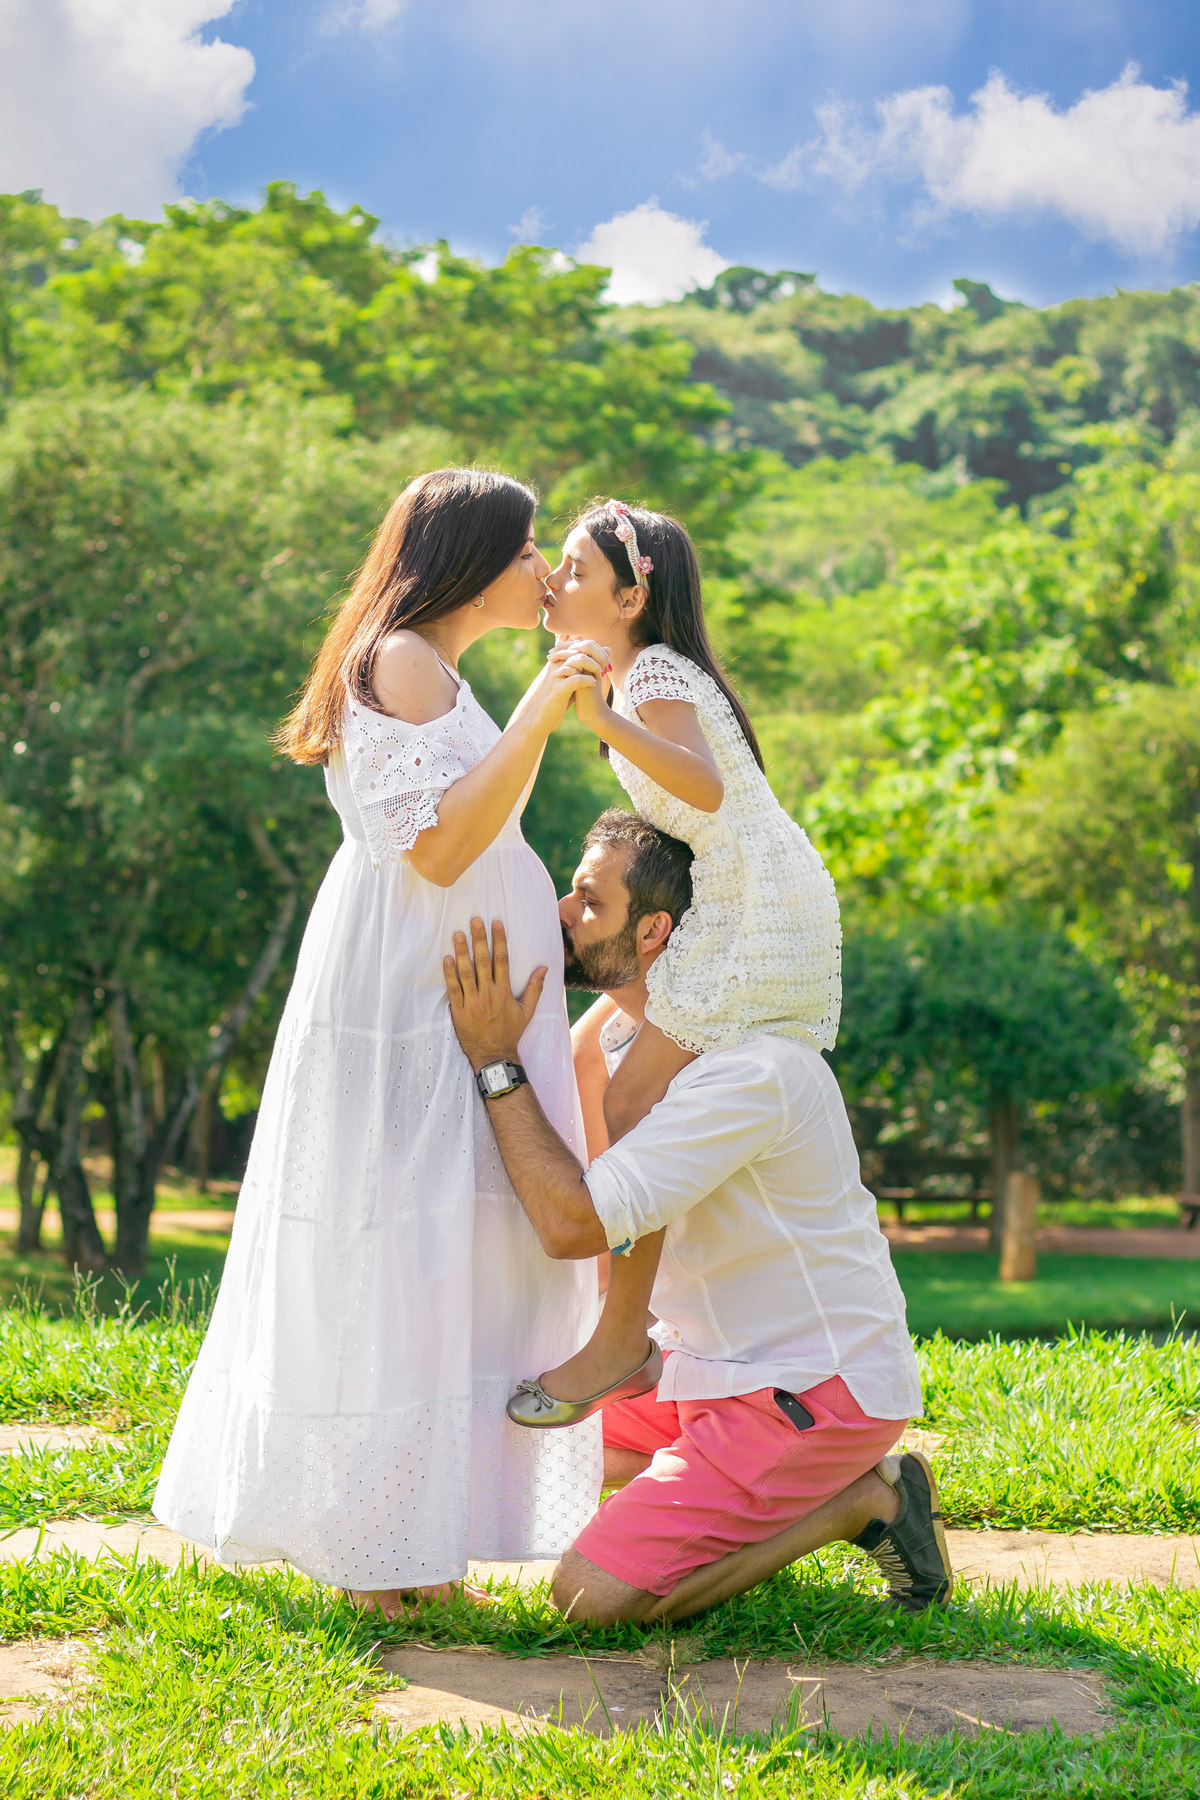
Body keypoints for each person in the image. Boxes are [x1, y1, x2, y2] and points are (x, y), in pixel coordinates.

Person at [154, 467, 610, 1615]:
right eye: (525, 552)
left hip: (446, 978)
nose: (542, 572)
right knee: (402, 1234)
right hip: (415, 991)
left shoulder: (433, 669)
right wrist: (541, 709)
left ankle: (416, 1533)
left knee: (443, 1242)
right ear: (468, 559)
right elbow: (444, 850)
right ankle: (381, 1550)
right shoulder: (403, 656)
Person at [441, 810, 953, 1623]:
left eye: (586, 901)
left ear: (653, 932)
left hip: (810, 1389)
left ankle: (859, 1502)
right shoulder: (630, 1032)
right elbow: (591, 1044)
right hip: (698, 1368)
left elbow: (575, 1223)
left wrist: (494, 1059)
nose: (562, 914)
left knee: (590, 1599)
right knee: (518, 1444)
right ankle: (717, 1486)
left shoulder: (747, 1075)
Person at [513, 501, 842, 1423]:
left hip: (755, 913)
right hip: (734, 899)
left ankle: (623, 1339)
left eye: (575, 572)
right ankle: (626, 1284)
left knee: (628, 1096)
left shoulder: (649, 673)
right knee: (589, 1054)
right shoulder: (629, 674)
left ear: (629, 598)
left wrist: (596, 717)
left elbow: (699, 784)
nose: (555, 583)